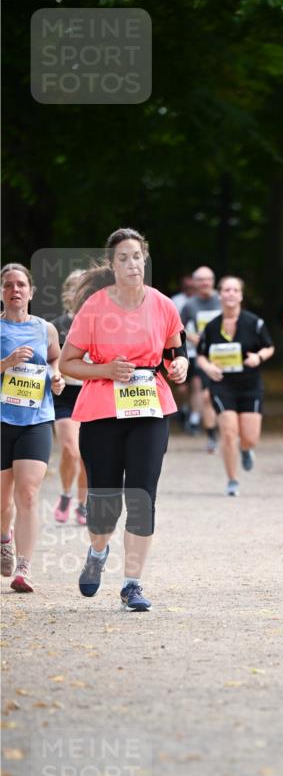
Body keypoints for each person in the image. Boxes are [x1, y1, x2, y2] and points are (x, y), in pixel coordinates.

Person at [59, 228, 188, 611]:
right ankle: (98, 552)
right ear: (112, 265)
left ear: (144, 260)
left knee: (143, 496)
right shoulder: (95, 307)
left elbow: (175, 354)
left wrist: (179, 365)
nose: (132, 264)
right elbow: (67, 364)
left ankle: (132, 584)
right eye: (123, 258)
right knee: (104, 504)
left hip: (149, 408)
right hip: (102, 411)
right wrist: (103, 369)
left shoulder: (163, 305)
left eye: (137, 257)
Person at [1, 262, 65, 592]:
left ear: (31, 292)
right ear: (1, 292)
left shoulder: (45, 329)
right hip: (1, 421)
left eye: (21, 285)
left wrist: (56, 376)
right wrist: (6, 364)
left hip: (37, 418)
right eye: (9, 285)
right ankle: (4, 536)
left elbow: (54, 359)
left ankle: (24, 568)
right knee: (2, 502)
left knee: (27, 493)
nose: (15, 290)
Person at [196, 276, 274, 496]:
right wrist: (208, 368)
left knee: (250, 437)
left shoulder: (254, 323)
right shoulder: (212, 326)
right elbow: (201, 355)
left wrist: (258, 357)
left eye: (234, 290)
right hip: (223, 385)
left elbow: (269, 348)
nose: (230, 293)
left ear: (240, 295)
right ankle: (232, 480)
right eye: (226, 290)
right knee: (229, 433)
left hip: (250, 385)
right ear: (220, 295)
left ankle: (247, 449)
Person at [52, 269, 88, 526]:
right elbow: (50, 359)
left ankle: (83, 504)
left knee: (87, 454)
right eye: (77, 288)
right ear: (69, 293)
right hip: (64, 394)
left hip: (91, 394)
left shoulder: (102, 323)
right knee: (70, 450)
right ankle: (65, 494)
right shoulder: (56, 326)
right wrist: (55, 374)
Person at [180, 266, 221, 446]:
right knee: (206, 393)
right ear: (195, 283)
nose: (205, 282)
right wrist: (191, 336)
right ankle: (211, 433)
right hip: (202, 355)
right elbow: (178, 327)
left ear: (213, 281)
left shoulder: (222, 299)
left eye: (208, 279)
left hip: (227, 355)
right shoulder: (190, 305)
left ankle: (230, 429)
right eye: (201, 279)